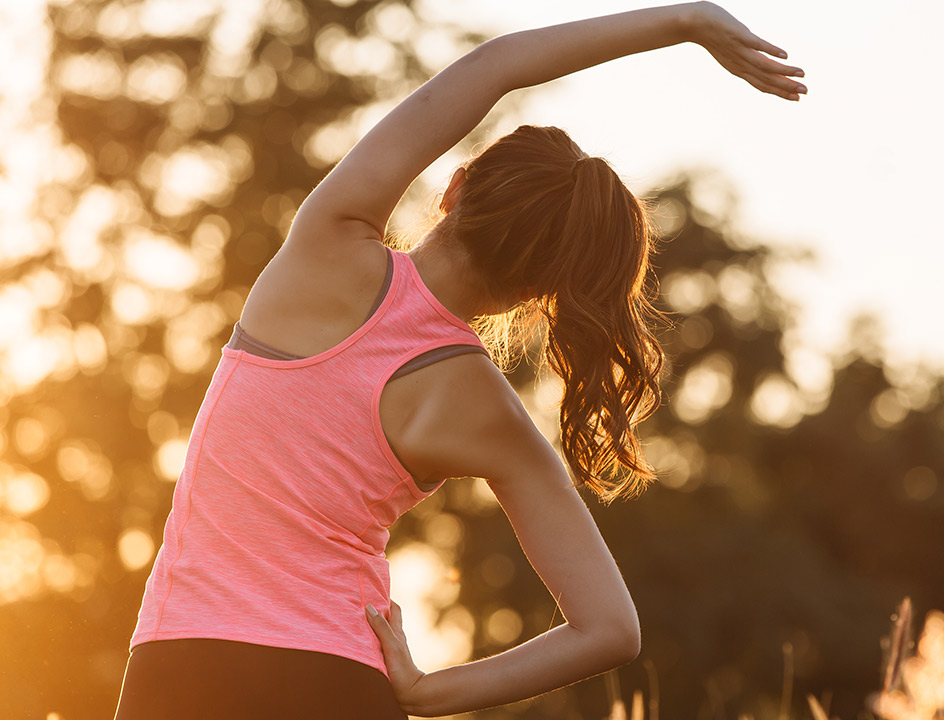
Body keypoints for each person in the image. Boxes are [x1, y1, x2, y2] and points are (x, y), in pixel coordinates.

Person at [113, 2, 804, 718]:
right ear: (539, 292)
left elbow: (496, 66)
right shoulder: (489, 411)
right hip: (342, 683)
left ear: (456, 186)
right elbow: (610, 630)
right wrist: (425, 692)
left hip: (185, 665)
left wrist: (685, 22)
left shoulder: (326, 250)